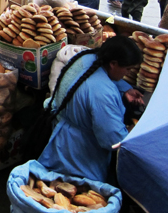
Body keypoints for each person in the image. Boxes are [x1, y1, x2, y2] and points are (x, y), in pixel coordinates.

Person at [38, 36, 144, 182]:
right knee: (74, 189)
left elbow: (98, 80)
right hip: (79, 153)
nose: (127, 73)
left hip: (61, 133)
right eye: (127, 69)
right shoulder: (102, 93)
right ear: (113, 63)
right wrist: (132, 131)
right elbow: (112, 140)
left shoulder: (86, 57)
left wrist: (125, 89)